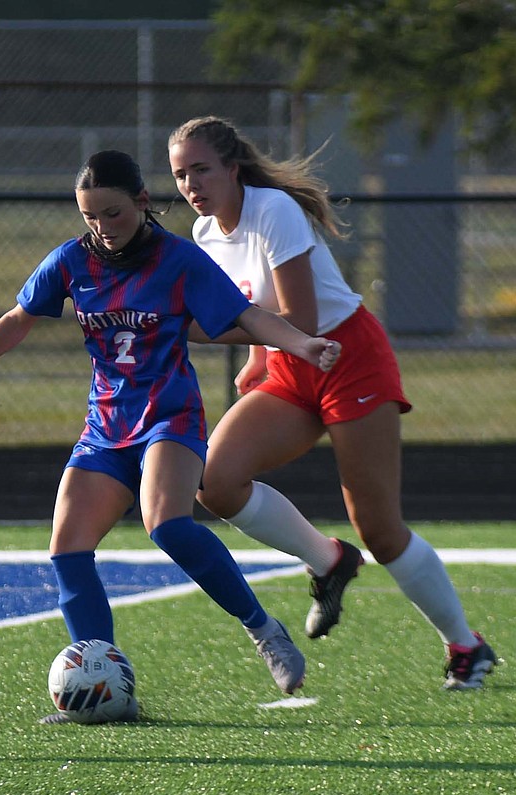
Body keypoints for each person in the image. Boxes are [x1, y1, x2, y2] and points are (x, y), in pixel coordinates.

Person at [0, 149, 341, 720]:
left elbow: (247, 315)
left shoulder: (179, 260)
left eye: (113, 214)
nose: (103, 230)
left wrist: (300, 343)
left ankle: (263, 630)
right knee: (68, 549)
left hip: (169, 416)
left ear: (142, 203)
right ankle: (105, 682)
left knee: (167, 525)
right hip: (106, 426)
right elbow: (20, 316)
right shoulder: (70, 262)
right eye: (90, 218)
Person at [167, 115, 497, 690]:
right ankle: (328, 561)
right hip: (293, 367)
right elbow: (259, 311)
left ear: (232, 168)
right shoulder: (206, 236)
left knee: (381, 530)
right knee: (215, 482)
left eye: (202, 170)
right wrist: (257, 361)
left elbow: (302, 320)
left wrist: (203, 332)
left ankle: (466, 646)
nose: (192, 186)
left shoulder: (272, 210)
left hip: (348, 358)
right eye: (180, 175)